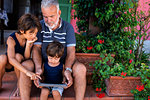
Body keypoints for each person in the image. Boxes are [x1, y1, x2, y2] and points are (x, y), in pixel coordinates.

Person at [32, 0, 86, 100]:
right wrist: (38, 69)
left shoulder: (68, 27)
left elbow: (71, 51)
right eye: (45, 16)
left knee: (81, 69)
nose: (48, 20)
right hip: (45, 63)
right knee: (25, 65)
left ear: (59, 13)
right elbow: (36, 49)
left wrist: (68, 69)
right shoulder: (39, 26)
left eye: (51, 16)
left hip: (64, 63)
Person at [0, 13, 41, 99]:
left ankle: (19, 84)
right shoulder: (11, 39)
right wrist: (27, 72)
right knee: (2, 58)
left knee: (18, 56)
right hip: (10, 63)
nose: (34, 36)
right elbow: (11, 59)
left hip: (21, 62)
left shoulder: (29, 39)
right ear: (22, 30)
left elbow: (26, 58)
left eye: (35, 33)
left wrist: (28, 45)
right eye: (31, 33)